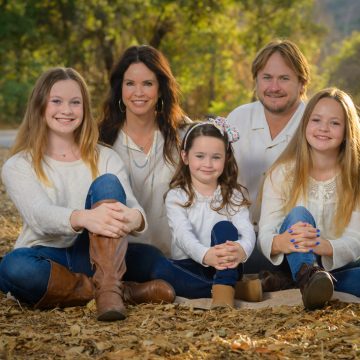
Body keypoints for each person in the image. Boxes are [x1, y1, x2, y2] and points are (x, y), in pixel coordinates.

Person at [0, 67, 175, 322]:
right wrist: (85, 218)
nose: (67, 110)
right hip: (47, 256)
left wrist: (133, 217)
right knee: (13, 268)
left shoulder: (105, 156)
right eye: (56, 101)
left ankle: (105, 286)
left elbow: (134, 207)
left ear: (84, 108)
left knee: (109, 187)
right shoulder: (19, 164)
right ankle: (117, 291)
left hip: (101, 256)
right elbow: (39, 216)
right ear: (39, 106)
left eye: (75, 102)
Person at [258, 88, 360, 310]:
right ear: (305, 124)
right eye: (316, 120)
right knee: (299, 214)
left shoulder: (355, 178)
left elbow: (356, 238)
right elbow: (265, 232)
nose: (324, 128)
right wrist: (280, 241)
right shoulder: (282, 173)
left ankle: (302, 285)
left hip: (338, 265)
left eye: (335, 123)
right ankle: (306, 276)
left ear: (347, 131)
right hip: (292, 259)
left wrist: (323, 246)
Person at [98, 45, 189, 278]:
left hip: (179, 254)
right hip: (124, 256)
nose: (138, 92)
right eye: (130, 84)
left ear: (160, 89)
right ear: (120, 89)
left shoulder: (183, 134)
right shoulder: (102, 139)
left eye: (147, 83)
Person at [226, 39, 311, 275]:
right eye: (266, 77)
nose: (274, 87)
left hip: (295, 238)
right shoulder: (237, 119)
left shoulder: (315, 123)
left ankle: (296, 274)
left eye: (284, 78)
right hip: (244, 236)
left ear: (302, 83)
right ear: (256, 81)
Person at [152, 118, 256, 307]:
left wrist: (241, 249)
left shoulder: (233, 195)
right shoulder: (176, 196)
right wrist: (206, 255)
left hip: (228, 264)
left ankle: (224, 285)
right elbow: (183, 236)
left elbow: (247, 231)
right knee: (159, 269)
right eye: (200, 156)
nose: (207, 163)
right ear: (185, 157)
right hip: (190, 265)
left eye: (216, 157)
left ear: (226, 158)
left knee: (224, 227)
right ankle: (233, 289)